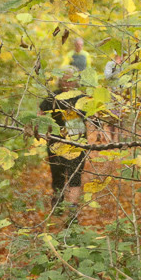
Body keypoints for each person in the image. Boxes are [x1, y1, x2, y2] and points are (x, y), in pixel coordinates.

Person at [39, 71, 88, 218]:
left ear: (76, 82)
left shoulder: (82, 98)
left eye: (71, 81)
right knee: (58, 177)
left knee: (75, 178)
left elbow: (94, 116)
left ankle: (72, 212)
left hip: (77, 144)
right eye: (65, 81)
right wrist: (43, 130)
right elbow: (40, 114)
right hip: (56, 143)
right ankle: (58, 206)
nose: (68, 84)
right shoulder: (53, 97)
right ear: (60, 82)